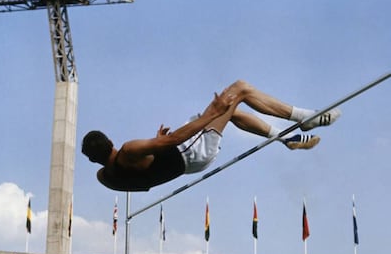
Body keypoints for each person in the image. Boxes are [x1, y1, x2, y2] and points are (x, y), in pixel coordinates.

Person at [82, 80, 341, 191]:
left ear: (94, 160)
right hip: (190, 152)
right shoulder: (128, 150)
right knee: (239, 90)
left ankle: (286, 138)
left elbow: (145, 180)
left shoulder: (106, 178)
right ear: (112, 141)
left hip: (185, 163)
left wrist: (155, 148)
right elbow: (173, 141)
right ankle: (304, 118)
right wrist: (210, 114)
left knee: (233, 112)